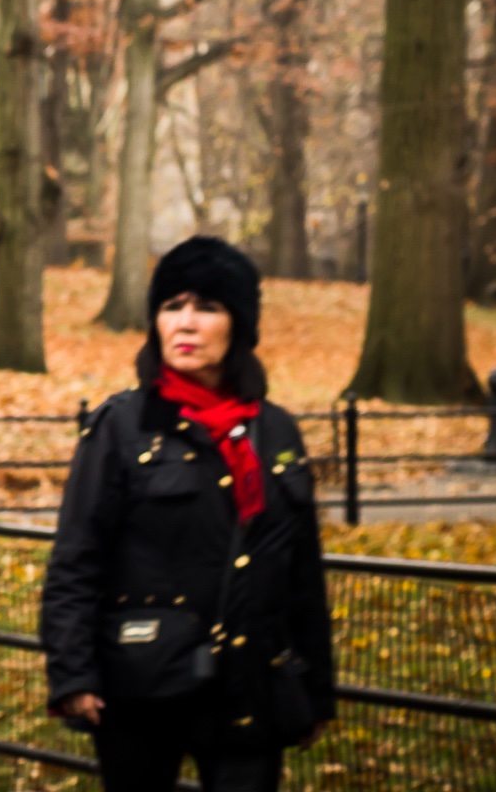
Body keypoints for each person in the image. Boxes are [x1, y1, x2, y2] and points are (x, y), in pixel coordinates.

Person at [39, 237, 334, 792]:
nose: (187, 323)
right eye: (173, 307)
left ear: (239, 326)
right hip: (142, 685)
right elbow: (76, 558)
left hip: (251, 686)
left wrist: (316, 688)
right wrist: (73, 674)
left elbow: (302, 573)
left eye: (207, 307)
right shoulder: (121, 428)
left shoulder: (277, 433)